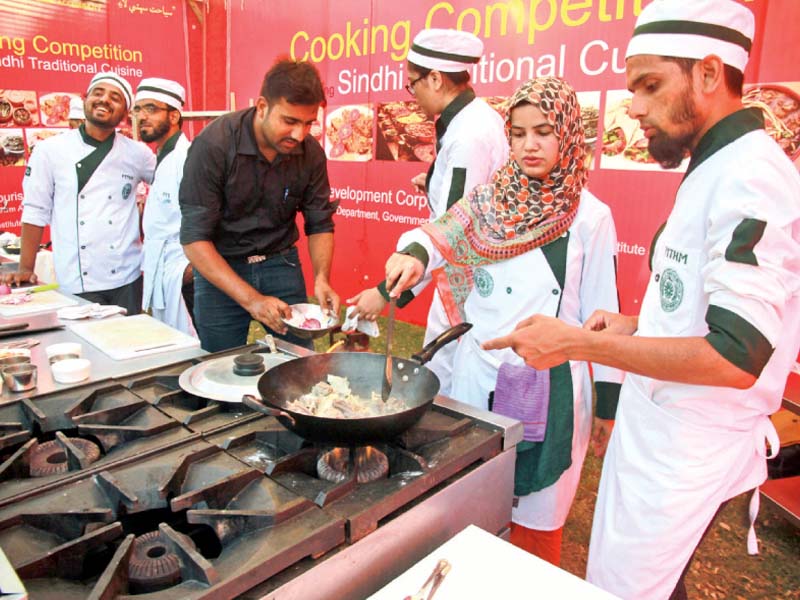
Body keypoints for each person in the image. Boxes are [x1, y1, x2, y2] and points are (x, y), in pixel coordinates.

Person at [482, 1, 800, 598]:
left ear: (708, 73)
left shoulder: (750, 175)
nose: (636, 108)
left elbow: (737, 355)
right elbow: (700, 311)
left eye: (650, 86)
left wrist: (577, 341)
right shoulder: (714, 165)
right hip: (661, 432)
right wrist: (633, 324)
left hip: (690, 447)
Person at [376, 76, 622, 566]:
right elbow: (446, 229)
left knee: (532, 522)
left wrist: (608, 406)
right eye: (519, 132)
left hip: (547, 388)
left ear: (569, 134)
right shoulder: (492, 202)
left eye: (545, 131)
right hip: (478, 374)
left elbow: (605, 318)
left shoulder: (590, 218)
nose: (529, 145)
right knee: (468, 509)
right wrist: (414, 255)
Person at [348, 29, 508, 395]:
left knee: (449, 384)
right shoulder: (472, 119)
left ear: (436, 79)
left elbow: (453, 233)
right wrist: (434, 180)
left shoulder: (469, 135)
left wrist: (385, 294)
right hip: (459, 274)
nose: (413, 95)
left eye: (413, 84)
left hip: (465, 283)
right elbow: (471, 196)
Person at [179, 58, 339, 352]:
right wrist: (253, 301)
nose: (299, 135)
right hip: (221, 269)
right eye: (289, 121)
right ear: (262, 106)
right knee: (219, 365)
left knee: (299, 363)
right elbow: (194, 239)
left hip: (281, 264)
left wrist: (321, 278)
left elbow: (319, 222)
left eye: (308, 123)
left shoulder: (311, 153)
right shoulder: (213, 145)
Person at [6, 72, 155, 316]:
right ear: (85, 99)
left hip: (127, 276)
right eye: (98, 93)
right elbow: (35, 210)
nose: (105, 100)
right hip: (77, 277)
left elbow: (168, 187)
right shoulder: (50, 150)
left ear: (126, 113)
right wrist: (25, 267)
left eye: (115, 97)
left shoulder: (137, 154)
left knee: (128, 343)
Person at [135, 77, 197, 337]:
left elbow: (212, 218)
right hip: (164, 269)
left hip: (185, 275)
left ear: (174, 116)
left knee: (195, 349)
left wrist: (191, 270)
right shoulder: (161, 157)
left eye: (151, 109)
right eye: (137, 110)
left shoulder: (188, 158)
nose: (141, 117)